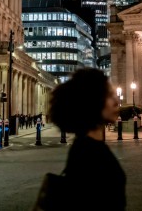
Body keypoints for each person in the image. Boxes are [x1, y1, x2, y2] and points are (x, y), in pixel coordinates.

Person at [49, 68, 126, 210]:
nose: (116, 101)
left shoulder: (89, 146)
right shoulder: (89, 153)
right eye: (110, 95)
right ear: (93, 101)